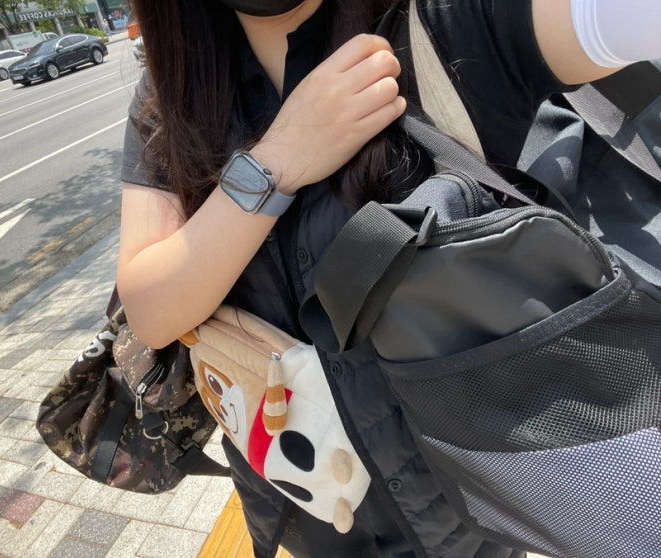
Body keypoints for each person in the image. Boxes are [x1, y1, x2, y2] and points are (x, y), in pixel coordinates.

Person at [116, 1, 661, 556]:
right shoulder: (175, 84)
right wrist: (277, 162)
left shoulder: (444, 24)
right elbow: (151, 312)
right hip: (307, 508)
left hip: (465, 515)